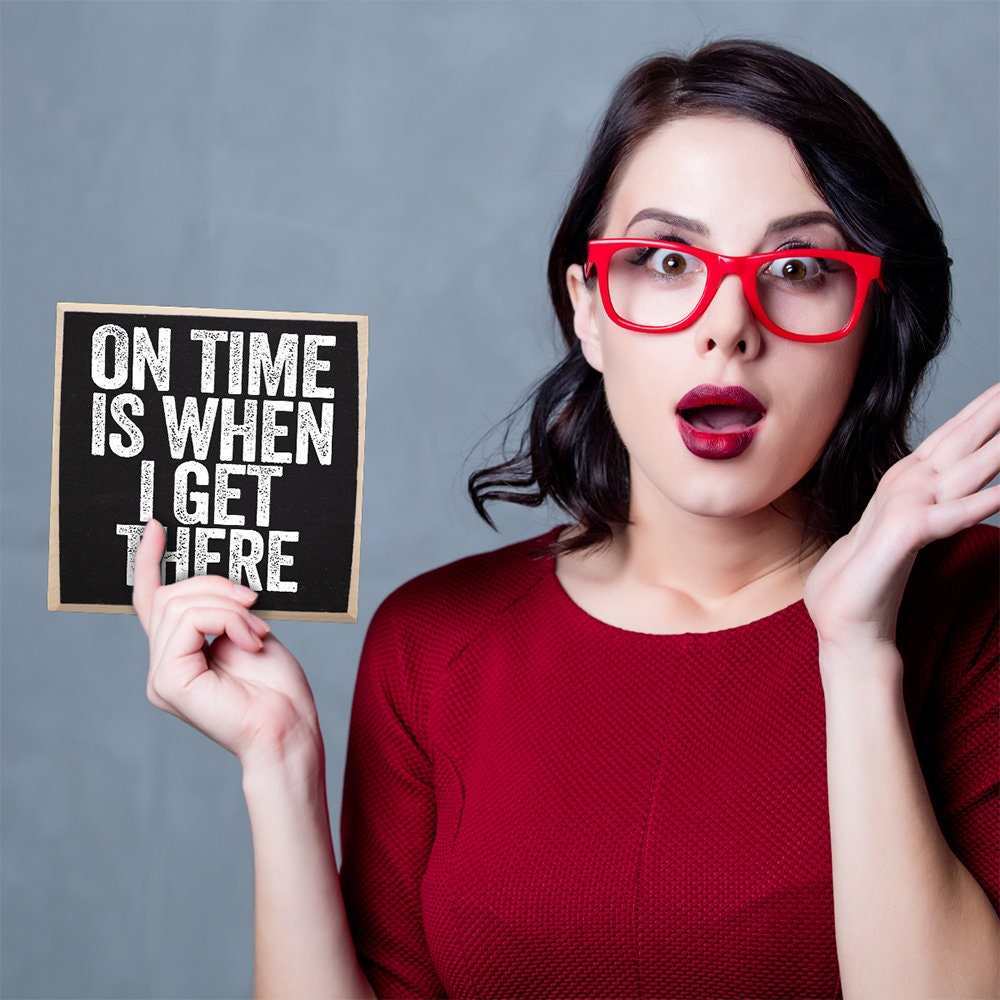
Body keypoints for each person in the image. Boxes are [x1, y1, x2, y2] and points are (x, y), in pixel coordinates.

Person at [133, 39, 999, 999]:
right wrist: (279, 763)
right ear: (587, 308)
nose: (729, 324)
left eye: (799, 267)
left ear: (872, 315)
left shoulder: (976, 608)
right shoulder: (432, 646)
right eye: (667, 261)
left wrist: (858, 651)